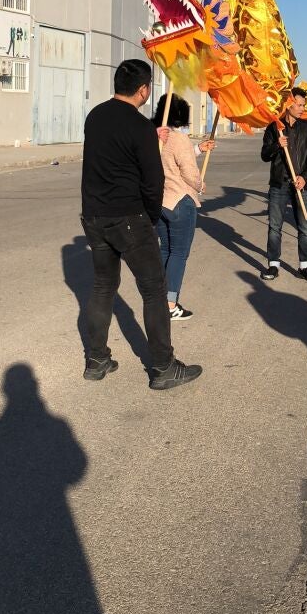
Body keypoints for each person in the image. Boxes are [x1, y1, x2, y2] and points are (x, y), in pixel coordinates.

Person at [80, 59, 202, 390]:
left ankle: (97, 360)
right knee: (154, 289)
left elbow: (108, 154)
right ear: (144, 89)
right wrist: (149, 217)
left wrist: (150, 136)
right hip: (129, 217)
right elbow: (153, 181)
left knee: (102, 287)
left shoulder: (96, 116)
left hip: (94, 215)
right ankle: (163, 366)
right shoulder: (140, 126)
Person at [260, 87, 307, 282]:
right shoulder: (274, 127)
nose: (302, 108)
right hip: (279, 184)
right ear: (288, 105)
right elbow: (264, 155)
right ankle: (273, 264)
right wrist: (277, 144)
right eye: (299, 105)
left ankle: (305, 266)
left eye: (304, 105)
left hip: (301, 185)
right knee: (275, 227)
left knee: (305, 227)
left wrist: (304, 177)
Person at [153, 94, 205, 321]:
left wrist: (198, 149)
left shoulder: (156, 137)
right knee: (179, 253)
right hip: (180, 201)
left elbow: (169, 161)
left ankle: (161, 299)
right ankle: (171, 304)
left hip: (160, 202)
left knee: (165, 250)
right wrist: (200, 185)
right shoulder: (179, 139)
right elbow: (189, 172)